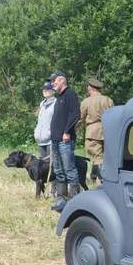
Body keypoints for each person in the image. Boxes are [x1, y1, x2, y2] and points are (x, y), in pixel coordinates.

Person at [48, 71, 81, 211]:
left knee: (69, 169)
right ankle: (61, 197)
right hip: (55, 140)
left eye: (54, 80)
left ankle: (75, 199)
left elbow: (75, 114)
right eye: (51, 81)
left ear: (62, 80)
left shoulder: (70, 94)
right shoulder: (59, 97)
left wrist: (67, 131)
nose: (52, 83)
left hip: (65, 139)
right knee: (59, 170)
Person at [76, 78, 114, 183]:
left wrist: (71, 130)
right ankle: (93, 177)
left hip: (93, 132)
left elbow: (80, 119)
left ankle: (105, 182)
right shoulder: (108, 100)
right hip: (107, 131)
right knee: (101, 156)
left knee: (97, 156)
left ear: (90, 89)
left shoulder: (86, 102)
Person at [34, 81, 57, 159]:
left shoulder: (56, 103)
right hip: (41, 140)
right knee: (44, 165)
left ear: (53, 91)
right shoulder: (42, 104)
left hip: (51, 140)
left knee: (51, 165)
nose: (45, 90)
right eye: (43, 89)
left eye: (47, 88)